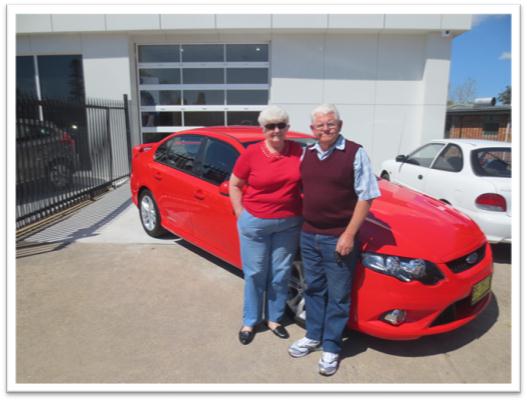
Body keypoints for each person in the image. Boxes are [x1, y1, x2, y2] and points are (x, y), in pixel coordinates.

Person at [288, 104, 380, 376]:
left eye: (330, 123)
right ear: (312, 129)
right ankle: (313, 336)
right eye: (320, 125)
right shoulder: (308, 153)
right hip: (309, 234)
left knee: (338, 295)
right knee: (314, 289)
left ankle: (331, 346)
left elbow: (367, 195)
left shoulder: (355, 152)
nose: (325, 129)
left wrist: (349, 234)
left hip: (337, 238)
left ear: (339, 125)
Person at [229, 105, 303, 345]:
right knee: (255, 274)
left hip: (289, 223)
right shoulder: (251, 154)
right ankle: (250, 321)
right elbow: (234, 184)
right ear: (263, 130)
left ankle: (274, 319)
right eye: (270, 126)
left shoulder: (298, 152)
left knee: (281, 273)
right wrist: (240, 212)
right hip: (256, 223)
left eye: (281, 125)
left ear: (288, 128)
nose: (276, 130)